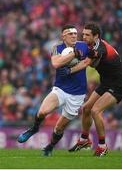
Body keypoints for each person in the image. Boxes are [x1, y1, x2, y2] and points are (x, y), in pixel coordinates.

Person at [17, 24, 90, 156]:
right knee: (42, 112)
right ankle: (34, 128)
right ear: (63, 36)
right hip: (60, 89)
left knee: (59, 128)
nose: (74, 36)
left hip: (78, 94)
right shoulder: (57, 48)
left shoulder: (84, 46)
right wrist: (73, 53)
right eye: (70, 34)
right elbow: (56, 63)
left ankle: (50, 147)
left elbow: (95, 53)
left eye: (75, 33)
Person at [59, 23, 122, 157]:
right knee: (86, 108)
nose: (84, 37)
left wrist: (69, 71)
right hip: (106, 82)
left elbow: (86, 63)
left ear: (96, 36)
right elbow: (79, 48)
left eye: (87, 35)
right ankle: (84, 140)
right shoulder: (90, 45)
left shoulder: (100, 48)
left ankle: (102, 146)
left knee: (95, 111)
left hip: (118, 84)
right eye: (83, 34)